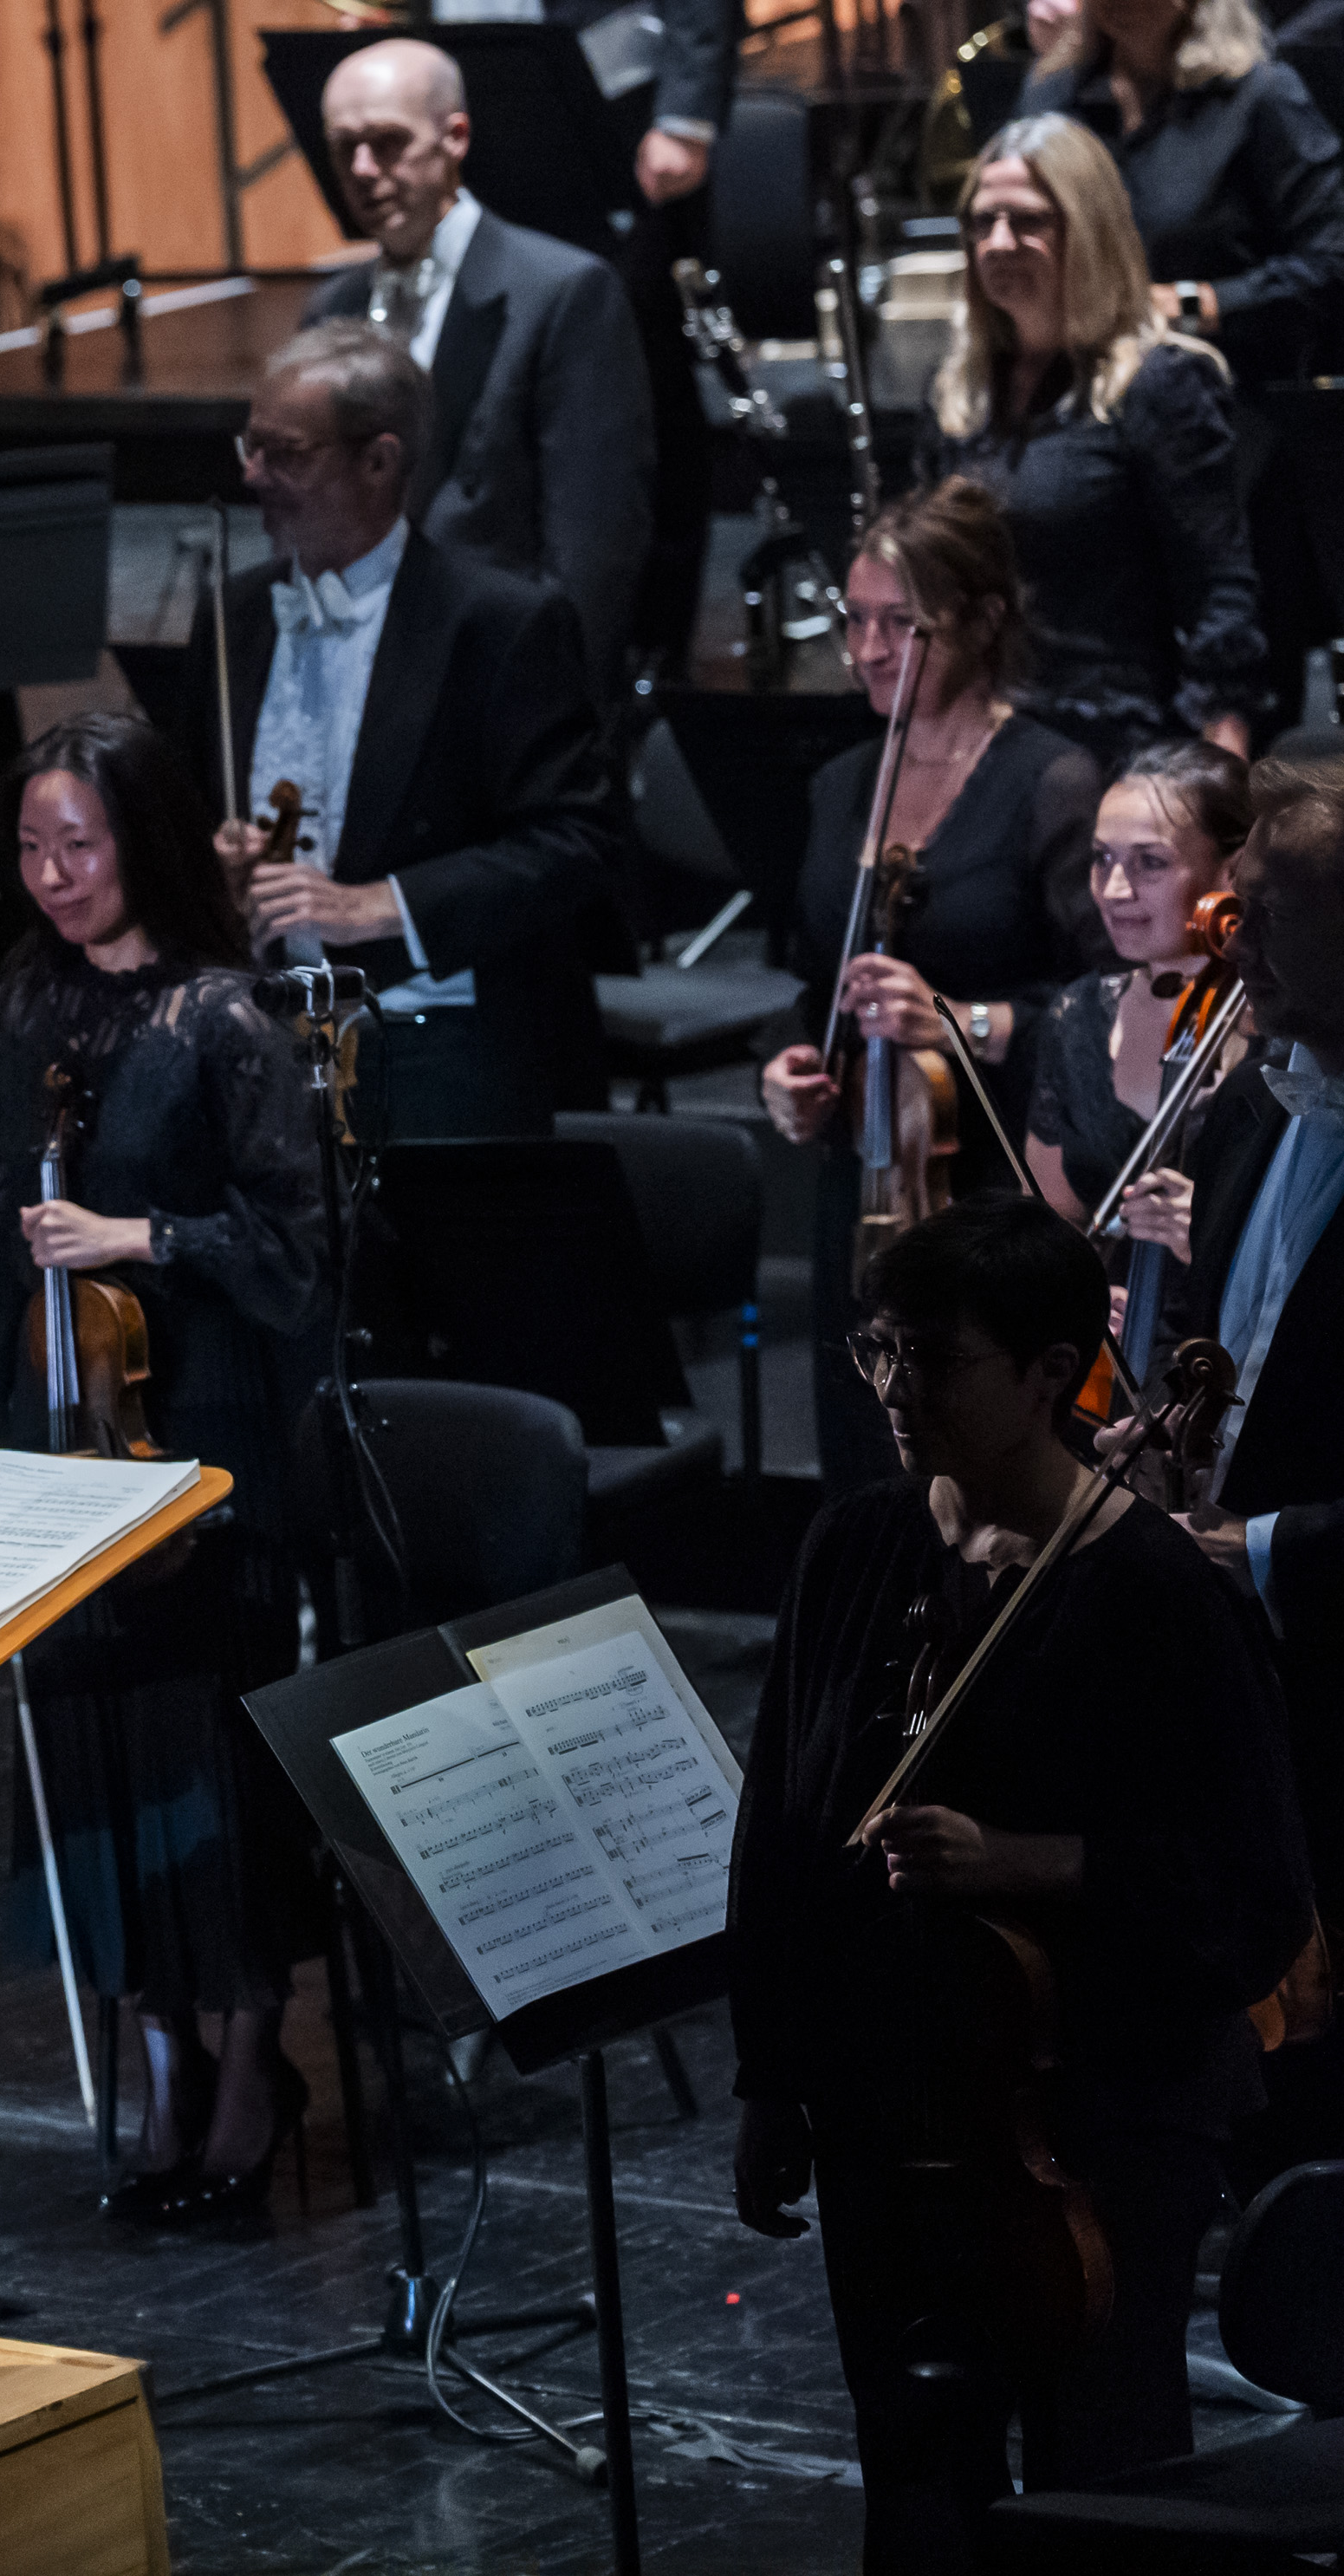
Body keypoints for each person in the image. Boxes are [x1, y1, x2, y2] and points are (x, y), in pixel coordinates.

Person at [729, 1194, 1313, 2573]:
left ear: (1054, 1374)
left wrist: (1023, 1864)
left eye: (934, 1362)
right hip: (889, 2107)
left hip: (1094, 2120)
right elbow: (783, 1832)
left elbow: (1252, 1891)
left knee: (1100, 2477)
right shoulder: (857, 1552)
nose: (894, 1391)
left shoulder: (1156, 1593)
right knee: (912, 2477)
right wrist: (771, 2075)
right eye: (880, 1354)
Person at [0, 712, 326, 2226]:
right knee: (101, 1773)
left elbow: (300, 1255)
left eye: (79, 846)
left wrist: (138, 1240)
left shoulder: (226, 1017)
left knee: (210, 1770)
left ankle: (248, 2061)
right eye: (31, 848)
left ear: (143, 839)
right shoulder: (20, 1002)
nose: (52, 876)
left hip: (208, 1455)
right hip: (65, 1447)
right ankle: (156, 2055)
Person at [185, 322, 621, 1143]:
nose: (253, 475)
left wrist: (374, 906)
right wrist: (212, 863)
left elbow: (577, 843)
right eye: (252, 446)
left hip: (437, 1041)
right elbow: (186, 805)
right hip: (258, 1035)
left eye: (287, 453)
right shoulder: (233, 617)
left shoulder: (499, 623)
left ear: (379, 462)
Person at [763, 481, 1101, 1494]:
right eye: (852, 621)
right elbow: (807, 983)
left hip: (992, 1183)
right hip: (863, 1184)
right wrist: (785, 1074)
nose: (865, 650)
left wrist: (969, 1022)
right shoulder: (840, 786)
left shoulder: (1050, 782)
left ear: (981, 619)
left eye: (898, 625)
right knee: (862, 1470)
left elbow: (1104, 1014)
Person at [1121, 774, 1344, 1935]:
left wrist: (1257, 1549)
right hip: (1236, 1664)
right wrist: (1161, 1429)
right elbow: (1227, 1342)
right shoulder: (1257, 1104)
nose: (1228, 939)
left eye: (1266, 917)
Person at [1022, 0, 1344, 728]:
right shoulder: (1054, 99)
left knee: (1217, 695)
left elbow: (1332, 258)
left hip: (1224, 435)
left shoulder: (1260, 98)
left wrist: (1197, 302)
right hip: (1086, 426)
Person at [301, 39, 655, 693]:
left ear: (455, 137)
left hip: (504, 681)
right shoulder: (332, 309)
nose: (362, 167)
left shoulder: (563, 292)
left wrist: (553, 706)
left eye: (386, 141)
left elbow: (594, 549)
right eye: (343, 146)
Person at [925, 115, 1262, 764]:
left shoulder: (1160, 385)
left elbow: (1220, 590)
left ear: (1089, 231)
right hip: (985, 746)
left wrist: (1220, 776)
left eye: (1028, 222)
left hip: (1112, 743)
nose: (999, 243)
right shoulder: (958, 395)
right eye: (983, 221)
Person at [1026, 736, 1253, 1227]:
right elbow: (1049, 1223)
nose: (1112, 890)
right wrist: (1078, 1293)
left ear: (1232, 872)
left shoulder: (1288, 1033)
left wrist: (1217, 1237)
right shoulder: (1079, 1014)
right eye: (1101, 858)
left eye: (1150, 862)